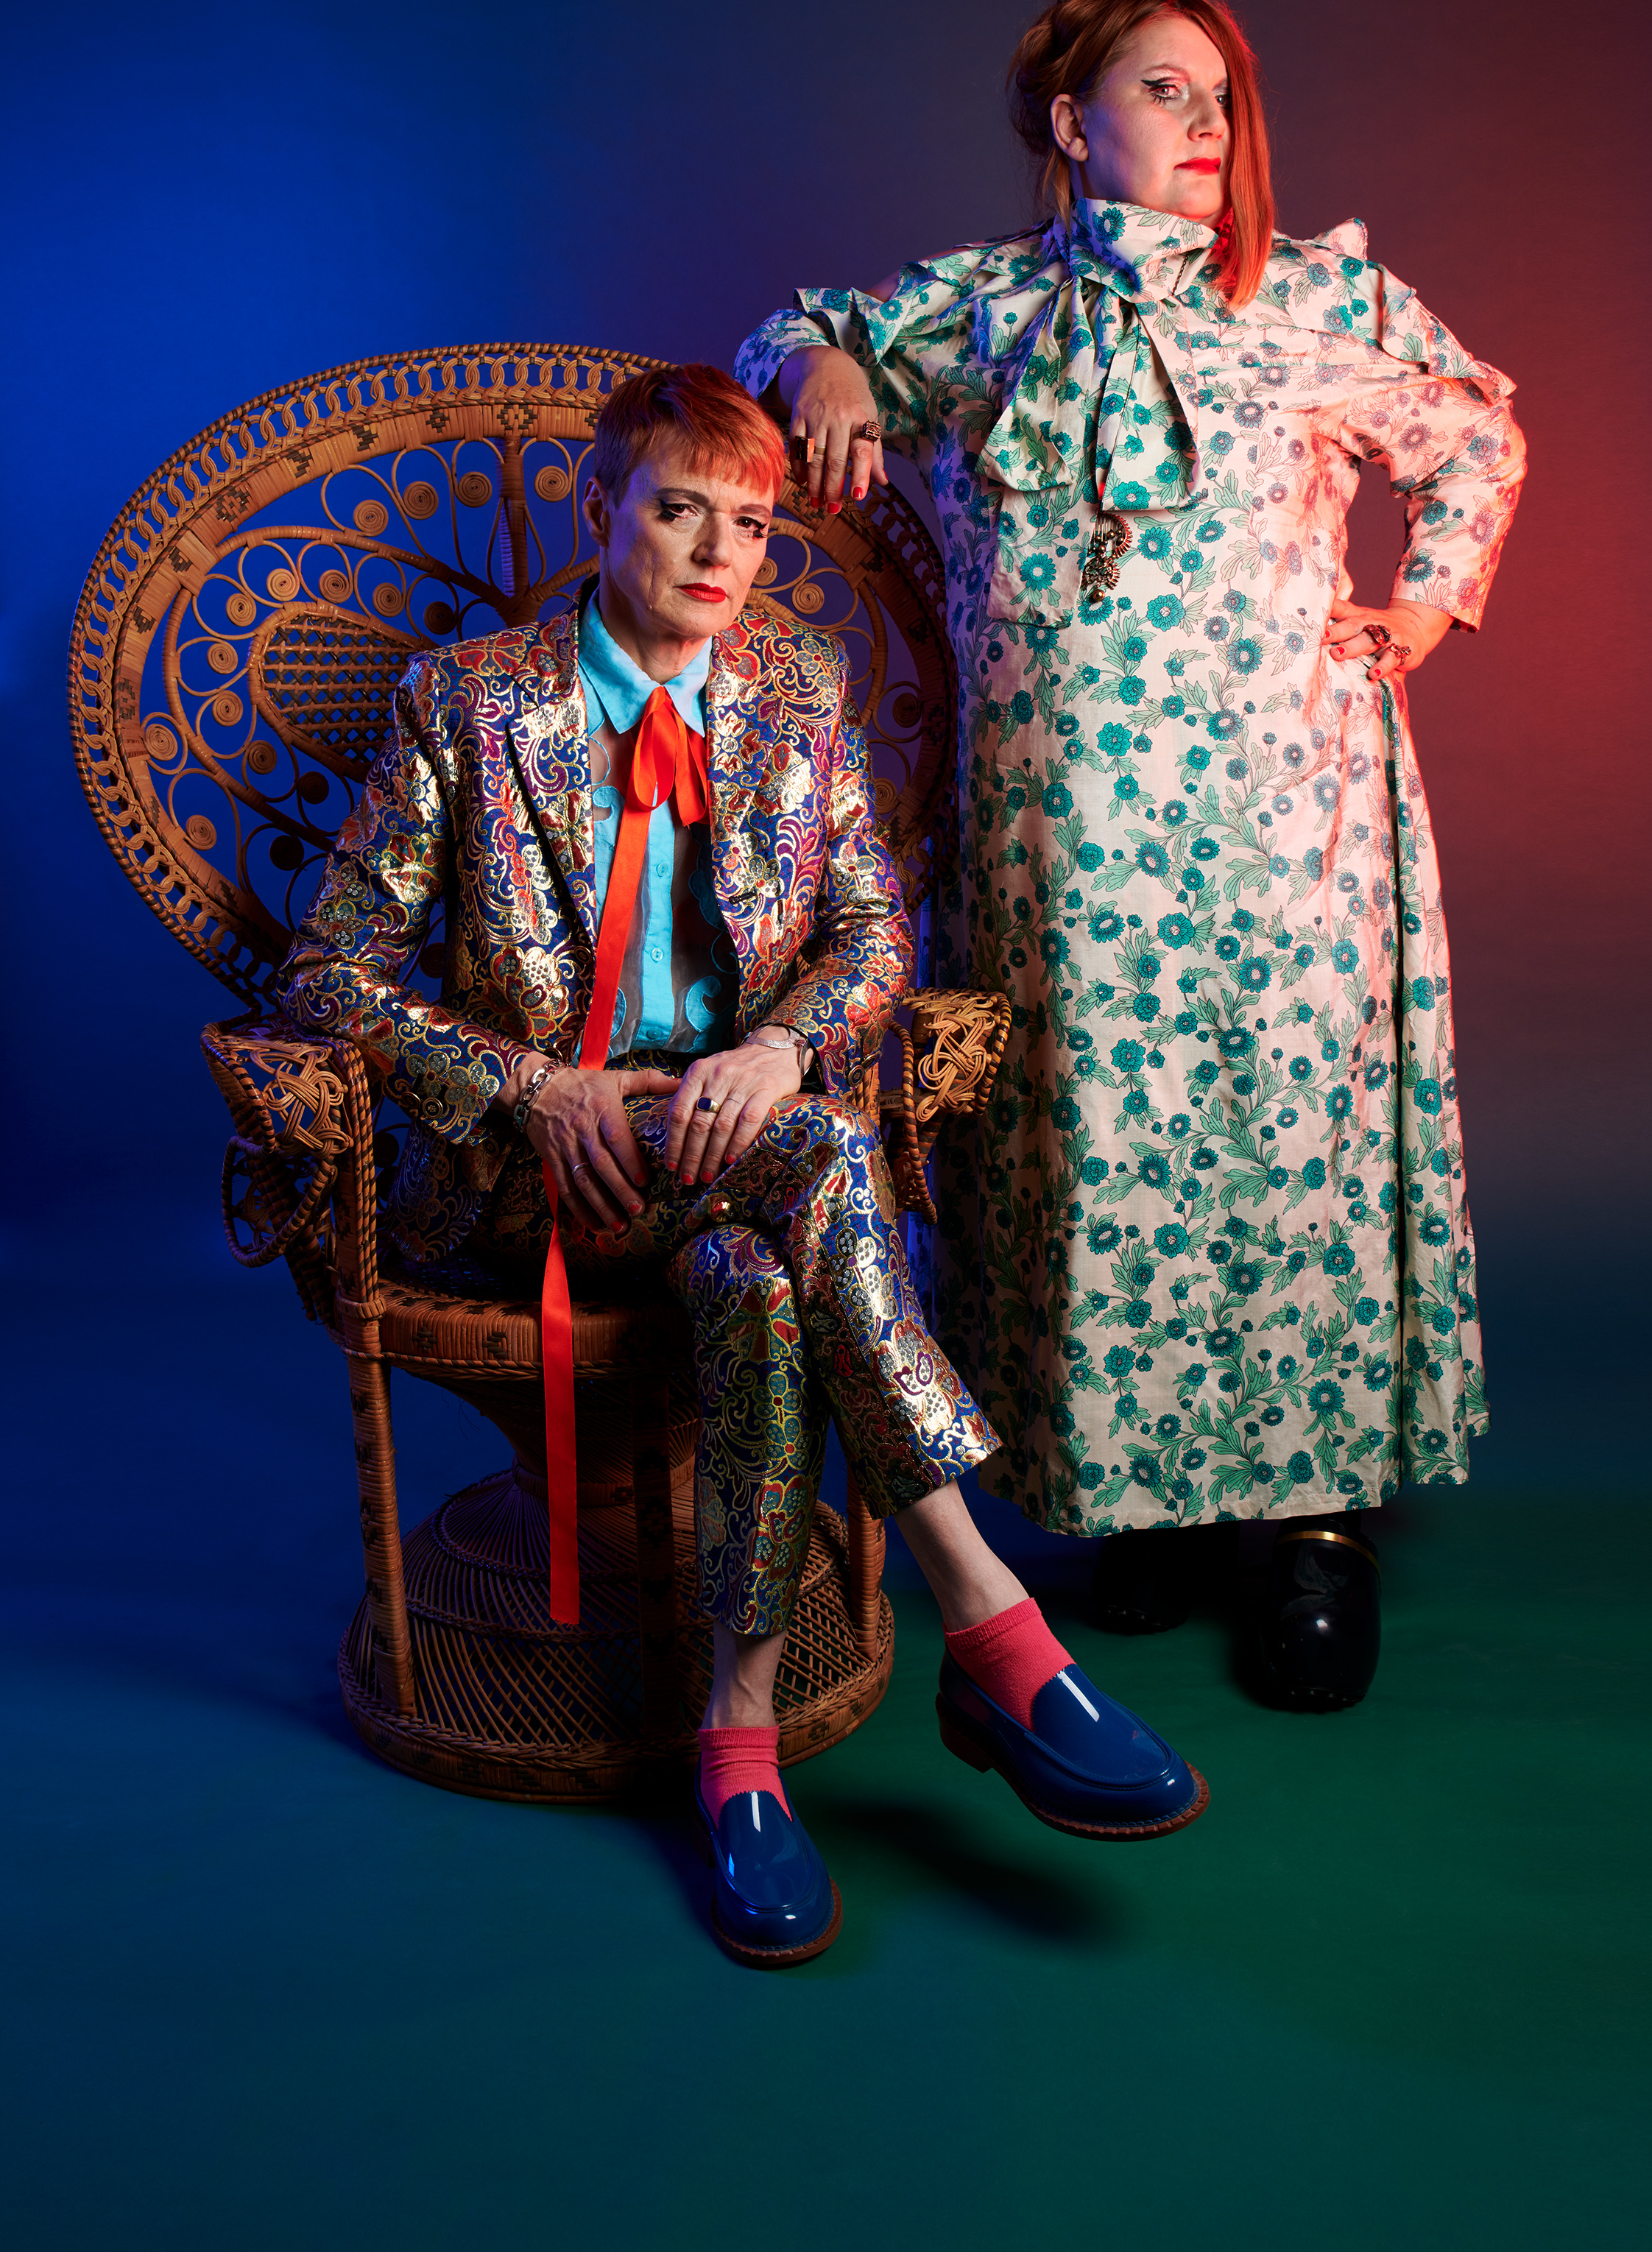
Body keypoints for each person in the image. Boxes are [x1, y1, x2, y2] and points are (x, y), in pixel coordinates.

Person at [278, 361, 1207, 1968]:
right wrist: (530, 1085)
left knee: (755, 1282)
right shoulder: (469, 700)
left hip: (745, 1158)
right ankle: (993, 1627)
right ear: (603, 509)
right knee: (825, 1154)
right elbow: (330, 971)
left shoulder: (790, 685)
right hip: (547, 1178)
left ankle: (738, 1746)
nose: (722, 552)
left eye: (755, 523)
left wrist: (779, 1045)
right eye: (680, 509)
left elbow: (870, 934)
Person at [736, 0, 1525, 1707]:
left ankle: (1309, 1522)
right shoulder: (981, 310)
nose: (1207, 124)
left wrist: (1423, 605)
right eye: (1165, 90)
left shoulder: (1315, 295)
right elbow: (780, 336)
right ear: (1068, 120)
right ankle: (1139, 1490)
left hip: (1282, 819)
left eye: (1223, 95)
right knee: (1091, 1143)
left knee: (1285, 1133)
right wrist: (826, 364)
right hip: (1061, 843)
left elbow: (1471, 432)